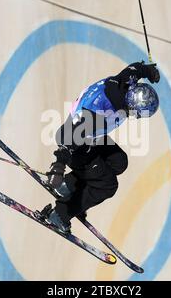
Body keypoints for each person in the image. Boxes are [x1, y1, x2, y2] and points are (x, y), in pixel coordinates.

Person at [42, 61, 160, 233]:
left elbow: (135, 69)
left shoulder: (124, 83)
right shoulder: (97, 113)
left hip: (92, 138)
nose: (137, 118)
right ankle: (60, 214)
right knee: (108, 185)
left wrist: (149, 70)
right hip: (78, 147)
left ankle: (69, 186)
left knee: (119, 161)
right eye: (139, 115)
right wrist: (58, 166)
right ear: (133, 108)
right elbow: (68, 135)